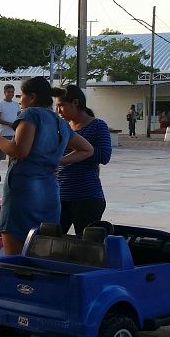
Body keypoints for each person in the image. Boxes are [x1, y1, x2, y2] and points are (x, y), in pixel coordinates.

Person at [0, 77, 94, 255]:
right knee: (42, 255)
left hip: (25, 191)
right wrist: (56, 161)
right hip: (49, 192)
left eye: (22, 95)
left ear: (32, 97)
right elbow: (87, 149)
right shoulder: (59, 122)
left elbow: (19, 151)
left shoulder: (31, 114)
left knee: (17, 259)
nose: (20, 100)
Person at [53, 85, 112, 236]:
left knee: (85, 244)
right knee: (52, 241)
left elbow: (104, 156)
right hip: (60, 195)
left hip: (87, 196)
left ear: (75, 103)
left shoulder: (98, 125)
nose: (58, 111)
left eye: (61, 106)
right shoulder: (63, 128)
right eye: (57, 107)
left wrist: (80, 147)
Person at [0, 84, 20, 170]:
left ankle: (9, 174)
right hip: (3, 134)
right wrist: (9, 124)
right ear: (4, 92)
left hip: (14, 134)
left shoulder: (16, 104)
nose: (11, 94)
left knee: (12, 157)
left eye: (12, 92)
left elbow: (19, 117)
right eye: (9, 92)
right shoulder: (0, 104)